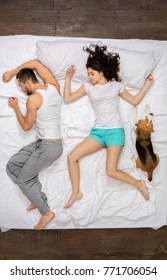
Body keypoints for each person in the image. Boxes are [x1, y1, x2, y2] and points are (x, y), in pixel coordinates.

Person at [63, 44, 154, 208]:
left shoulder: (116, 86)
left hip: (114, 133)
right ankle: (76, 192)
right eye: (88, 73)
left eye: (92, 73)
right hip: (98, 133)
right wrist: (68, 78)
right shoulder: (88, 87)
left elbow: (134, 101)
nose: (89, 77)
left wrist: (147, 84)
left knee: (111, 171)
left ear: (101, 72)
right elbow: (68, 99)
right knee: (71, 157)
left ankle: (139, 184)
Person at [2, 60, 63, 230]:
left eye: (21, 86)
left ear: (27, 82)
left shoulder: (33, 100)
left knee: (23, 181)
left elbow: (26, 127)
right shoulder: (54, 87)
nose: (22, 89)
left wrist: (15, 107)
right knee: (13, 164)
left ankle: (46, 212)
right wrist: (13, 72)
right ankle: (36, 196)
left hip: (49, 147)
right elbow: (36, 63)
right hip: (43, 144)